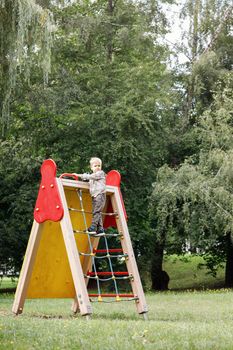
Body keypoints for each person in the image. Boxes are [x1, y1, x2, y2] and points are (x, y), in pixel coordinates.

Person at [73, 157, 106, 233]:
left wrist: (78, 175)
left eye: (99, 165)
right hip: (95, 196)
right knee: (97, 212)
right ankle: (100, 229)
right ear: (91, 167)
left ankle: (93, 227)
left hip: (100, 195)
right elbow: (89, 181)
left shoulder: (100, 173)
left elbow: (91, 177)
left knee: (96, 212)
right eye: (95, 166)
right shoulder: (92, 177)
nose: (97, 167)